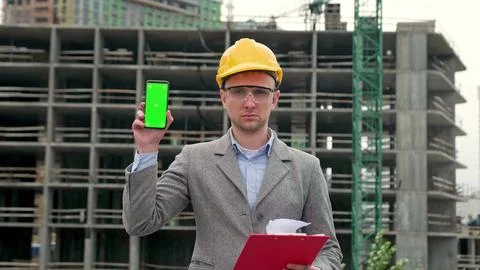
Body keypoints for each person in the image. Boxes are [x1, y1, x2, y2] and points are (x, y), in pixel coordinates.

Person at [122, 38, 342, 270]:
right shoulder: (194, 160)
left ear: (274, 98)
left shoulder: (306, 168)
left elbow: (329, 249)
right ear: (224, 97)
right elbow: (140, 223)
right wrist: (147, 149)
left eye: (260, 92)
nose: (249, 103)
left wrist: (316, 269)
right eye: (238, 92)